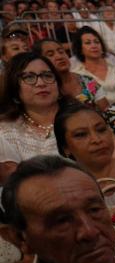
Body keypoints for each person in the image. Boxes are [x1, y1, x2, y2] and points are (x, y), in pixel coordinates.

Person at [0, 52, 64, 182]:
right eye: (29, 77)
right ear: (14, 87)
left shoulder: (82, 116)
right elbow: (15, 186)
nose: (41, 83)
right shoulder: (5, 131)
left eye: (47, 76)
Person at [34, 38, 109, 110]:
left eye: (61, 52)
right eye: (51, 55)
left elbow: (107, 111)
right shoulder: (44, 90)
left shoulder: (88, 81)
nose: (59, 57)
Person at [70, 25, 115, 103]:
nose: (94, 46)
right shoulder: (77, 74)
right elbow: (81, 100)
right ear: (80, 49)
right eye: (88, 43)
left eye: (96, 42)